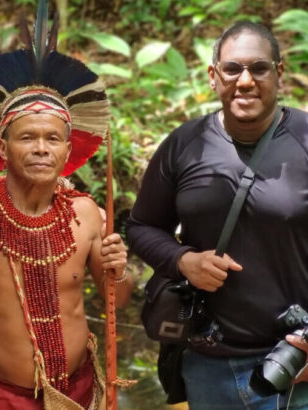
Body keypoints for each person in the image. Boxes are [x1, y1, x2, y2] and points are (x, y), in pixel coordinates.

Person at [126, 21, 308, 409]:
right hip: (206, 366)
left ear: (279, 73)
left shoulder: (305, 139)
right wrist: (182, 260)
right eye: (232, 69)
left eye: (259, 68)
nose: (245, 81)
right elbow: (141, 226)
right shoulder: (185, 144)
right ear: (213, 76)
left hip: (294, 366)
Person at [0, 13, 133, 408]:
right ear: (3, 148)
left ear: (67, 151)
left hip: (77, 391)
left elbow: (118, 300)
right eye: (28, 137)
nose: (42, 148)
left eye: (53, 139)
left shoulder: (87, 213)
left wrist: (120, 269)